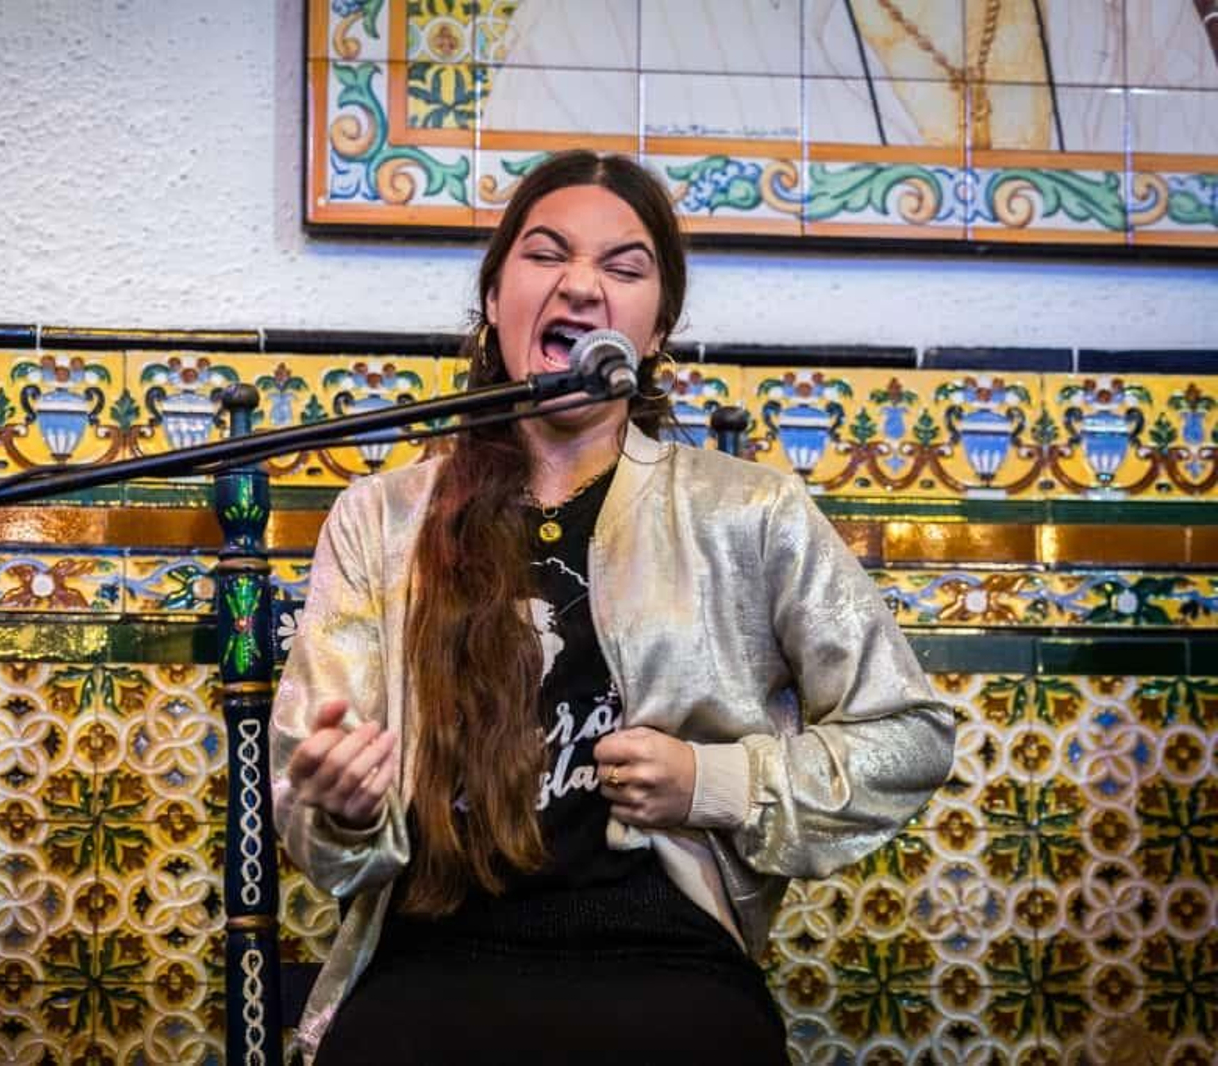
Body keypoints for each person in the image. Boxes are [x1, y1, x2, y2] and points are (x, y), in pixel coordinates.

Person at [270, 149, 956, 1065]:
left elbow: (910, 735)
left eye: (624, 268)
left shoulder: (747, 512)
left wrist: (713, 781)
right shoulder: (382, 520)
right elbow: (325, 834)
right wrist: (345, 804)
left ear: (656, 329)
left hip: (667, 958)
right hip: (432, 952)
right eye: (545, 255)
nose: (582, 285)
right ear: (494, 298)